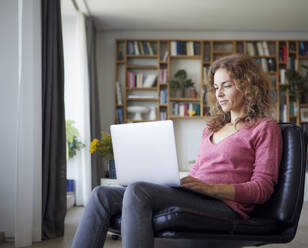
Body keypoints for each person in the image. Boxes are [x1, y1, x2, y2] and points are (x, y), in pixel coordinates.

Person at [72, 54, 283, 248]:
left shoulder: (264, 128)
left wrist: (212, 189)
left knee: (138, 191)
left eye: (226, 86)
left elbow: (262, 189)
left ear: (247, 86)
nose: (219, 93)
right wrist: (176, 182)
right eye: (216, 87)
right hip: (197, 195)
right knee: (101, 195)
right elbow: (198, 172)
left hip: (225, 206)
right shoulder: (212, 128)